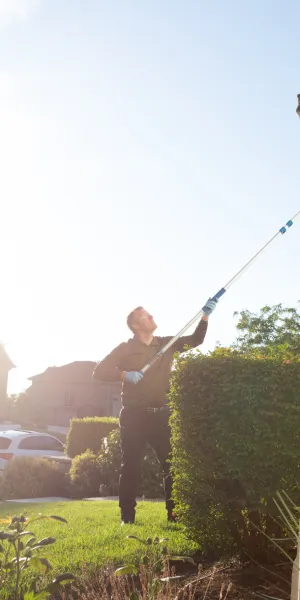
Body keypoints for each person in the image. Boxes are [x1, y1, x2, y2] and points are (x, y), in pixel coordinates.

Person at [93, 298, 217, 525]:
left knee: (171, 465)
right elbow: (99, 371)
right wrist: (123, 375)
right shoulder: (126, 348)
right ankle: (127, 518)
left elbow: (196, 340)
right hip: (133, 415)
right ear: (136, 326)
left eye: (150, 315)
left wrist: (205, 317)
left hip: (161, 415)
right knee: (130, 466)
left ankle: (174, 515)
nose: (151, 317)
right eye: (146, 316)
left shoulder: (166, 345)